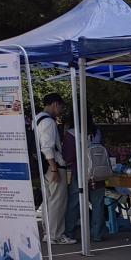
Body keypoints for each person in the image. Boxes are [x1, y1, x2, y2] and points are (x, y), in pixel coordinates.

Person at [35, 93, 73, 244]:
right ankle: (55, 235)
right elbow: (47, 147)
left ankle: (49, 233)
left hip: (43, 166)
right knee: (57, 202)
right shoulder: (49, 122)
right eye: (61, 107)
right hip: (53, 166)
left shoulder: (37, 119)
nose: (61, 111)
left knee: (48, 202)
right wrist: (55, 169)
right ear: (55, 104)